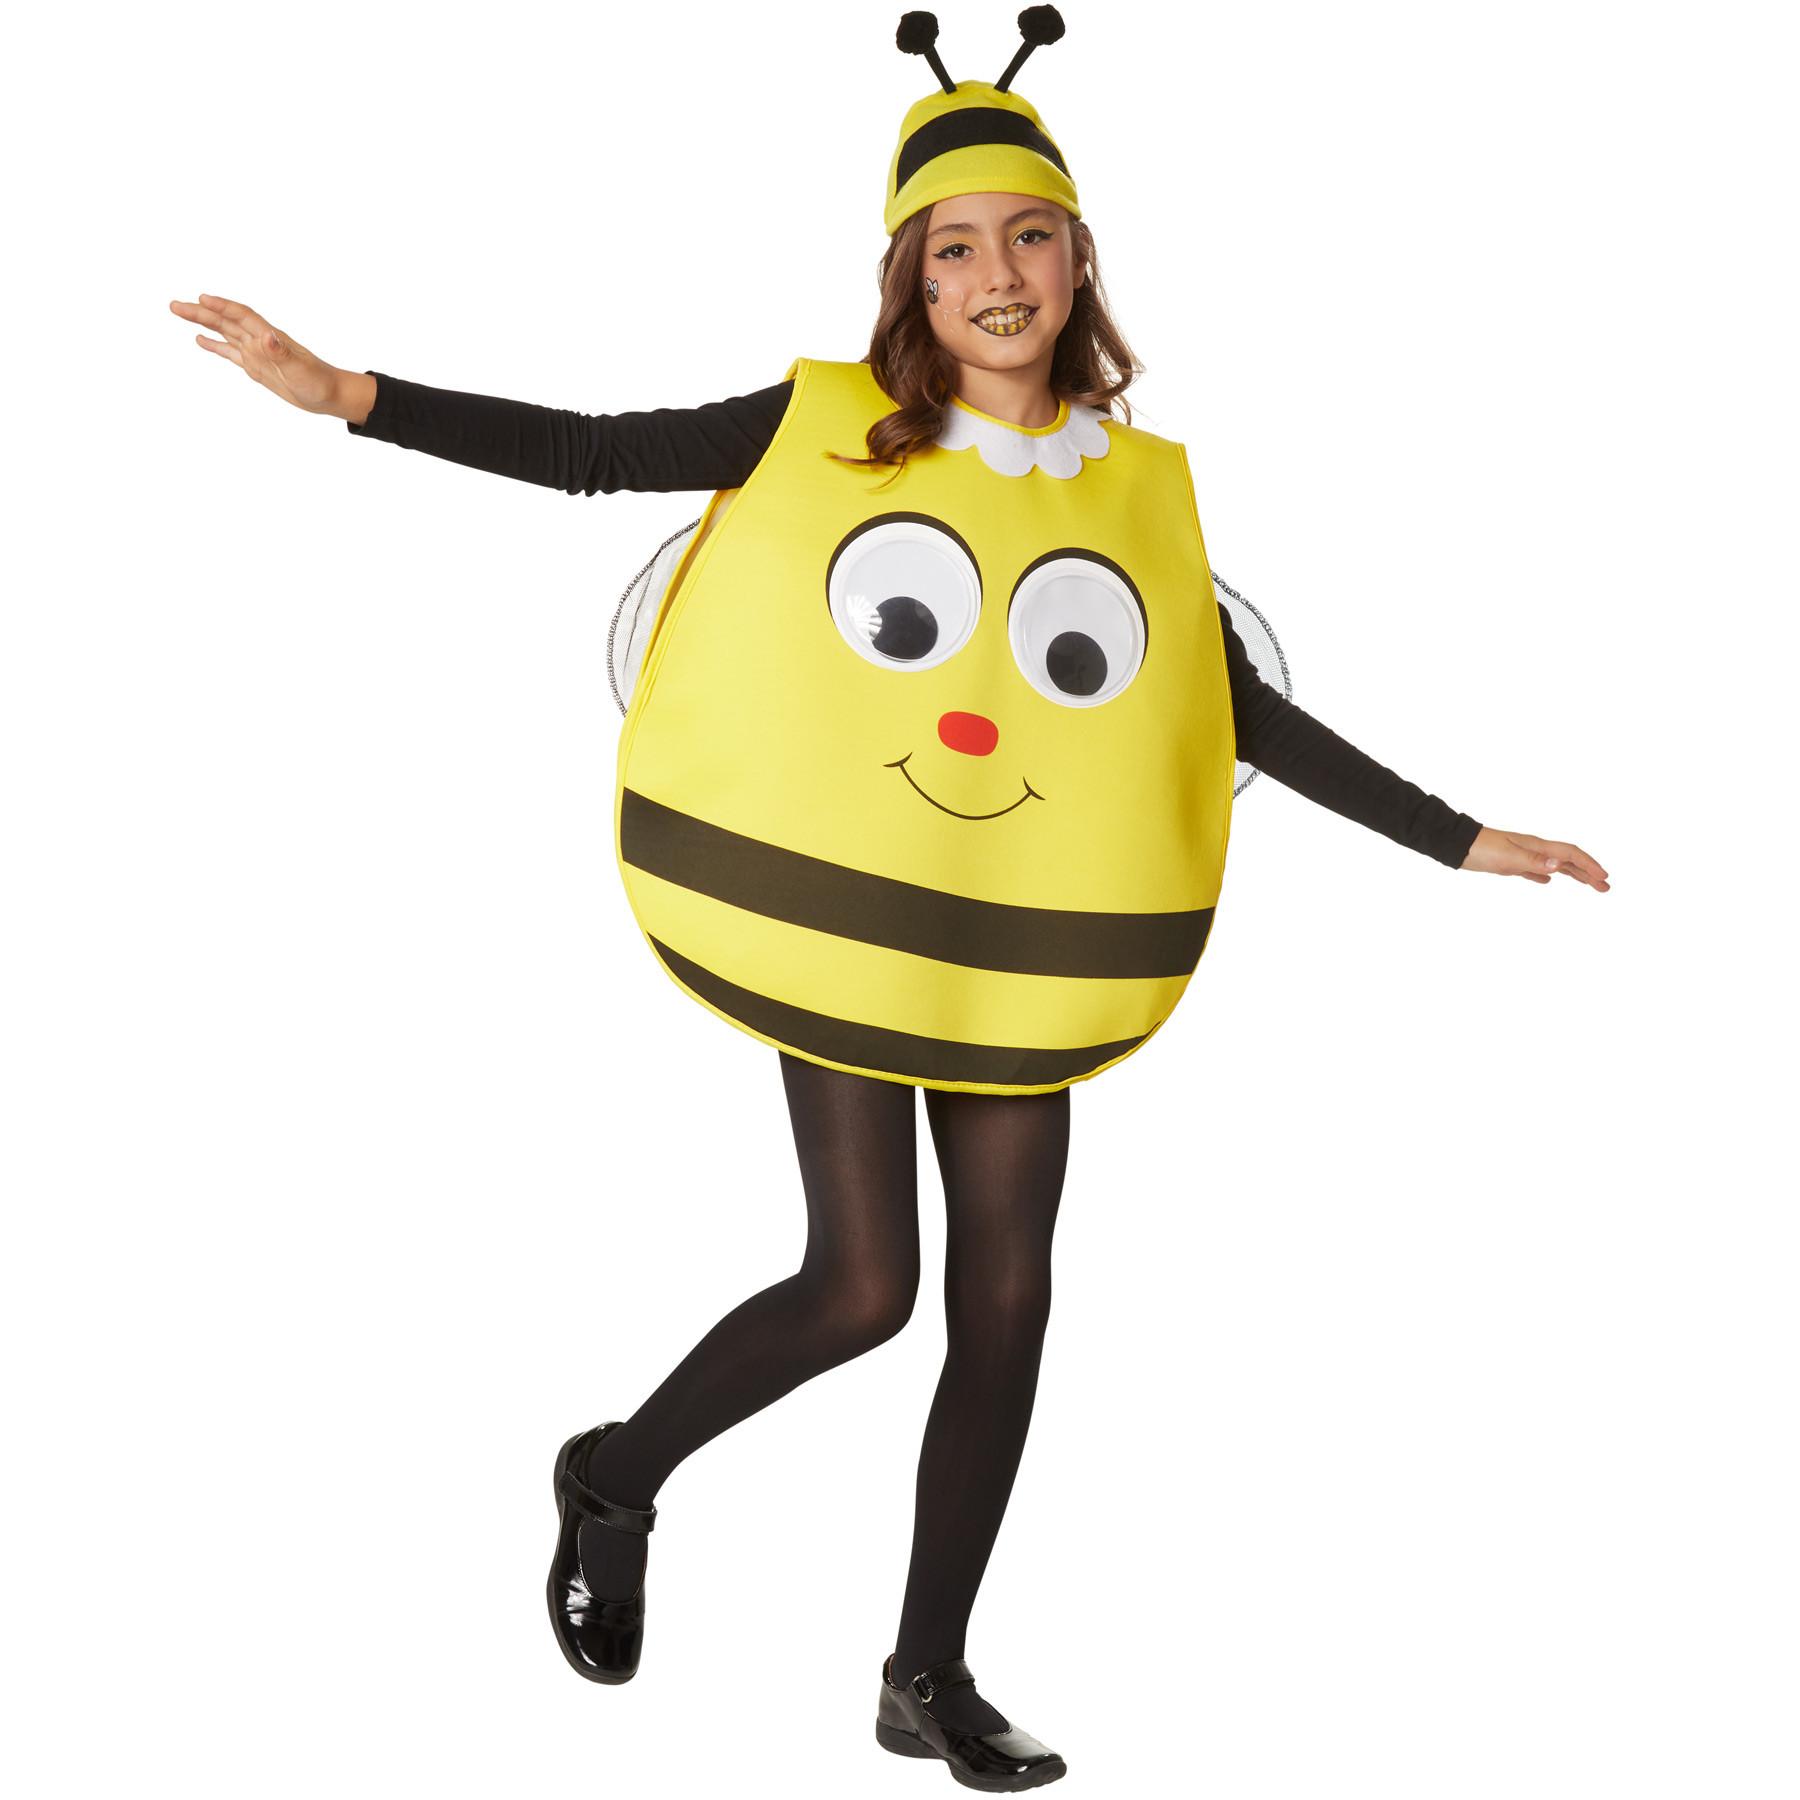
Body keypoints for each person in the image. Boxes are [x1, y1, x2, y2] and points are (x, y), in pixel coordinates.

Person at [168, 7, 1608, 1788]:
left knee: (1009, 1305)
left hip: (1020, 930)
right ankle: (613, 1477)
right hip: (848, 911)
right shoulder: (824, 424)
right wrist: (349, 398)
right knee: (863, 1286)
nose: (996, 276)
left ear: (1079, 262)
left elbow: (1226, 705)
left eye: (1028, 239)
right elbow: (589, 452)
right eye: (955, 250)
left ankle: (926, 1674)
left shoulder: (1139, 490)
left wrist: (1459, 838)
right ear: (911, 284)